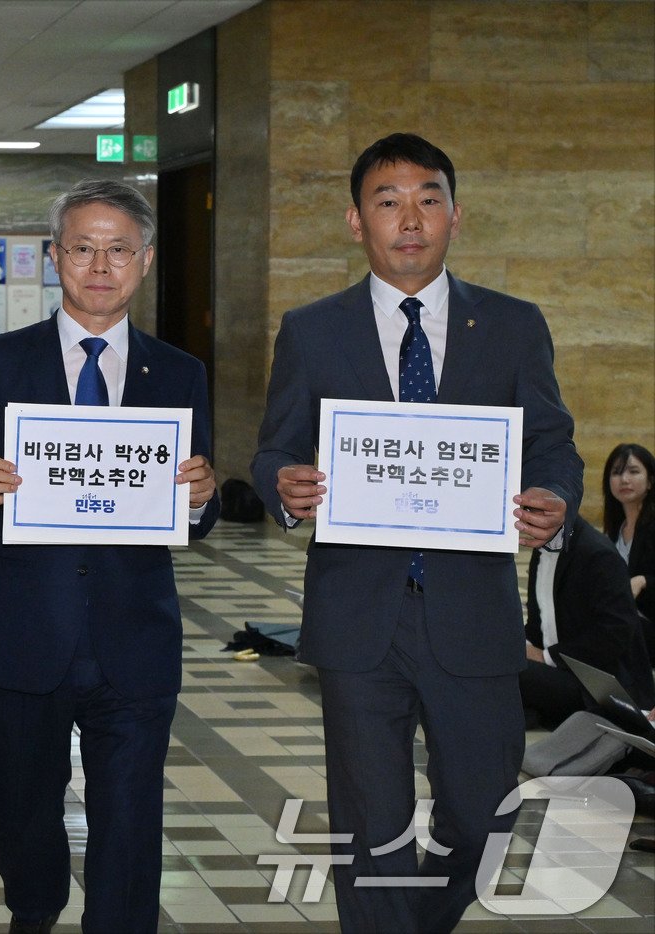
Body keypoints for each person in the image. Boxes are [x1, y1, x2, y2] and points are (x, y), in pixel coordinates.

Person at [252, 133, 583, 933]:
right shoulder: (312, 329)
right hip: (358, 616)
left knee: (483, 815)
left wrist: (554, 496)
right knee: (371, 830)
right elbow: (276, 449)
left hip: (471, 613)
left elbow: (551, 441)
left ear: (455, 216)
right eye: (388, 201)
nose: (410, 218)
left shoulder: (510, 326)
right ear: (355, 220)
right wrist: (286, 488)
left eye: (428, 199)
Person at [0, 179, 220, 933]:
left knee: (129, 826)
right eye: (82, 248)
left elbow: (201, 497)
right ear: (55, 257)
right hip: (26, 636)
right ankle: (36, 908)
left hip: (135, 639)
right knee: (21, 813)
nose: (99, 265)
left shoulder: (180, 374)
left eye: (118, 249)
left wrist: (202, 495)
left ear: (144, 261)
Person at [520, 514, 655, 728]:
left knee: (514, 673)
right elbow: (540, 623)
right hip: (563, 671)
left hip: (599, 685)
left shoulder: (597, 552)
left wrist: (545, 656)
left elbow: (615, 633)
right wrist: (524, 646)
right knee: (498, 662)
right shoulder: (543, 547)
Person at [602, 442, 655, 653]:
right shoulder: (615, 528)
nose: (624, 479)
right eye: (616, 472)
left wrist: (644, 581)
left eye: (633, 472)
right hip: (624, 619)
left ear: (650, 481)